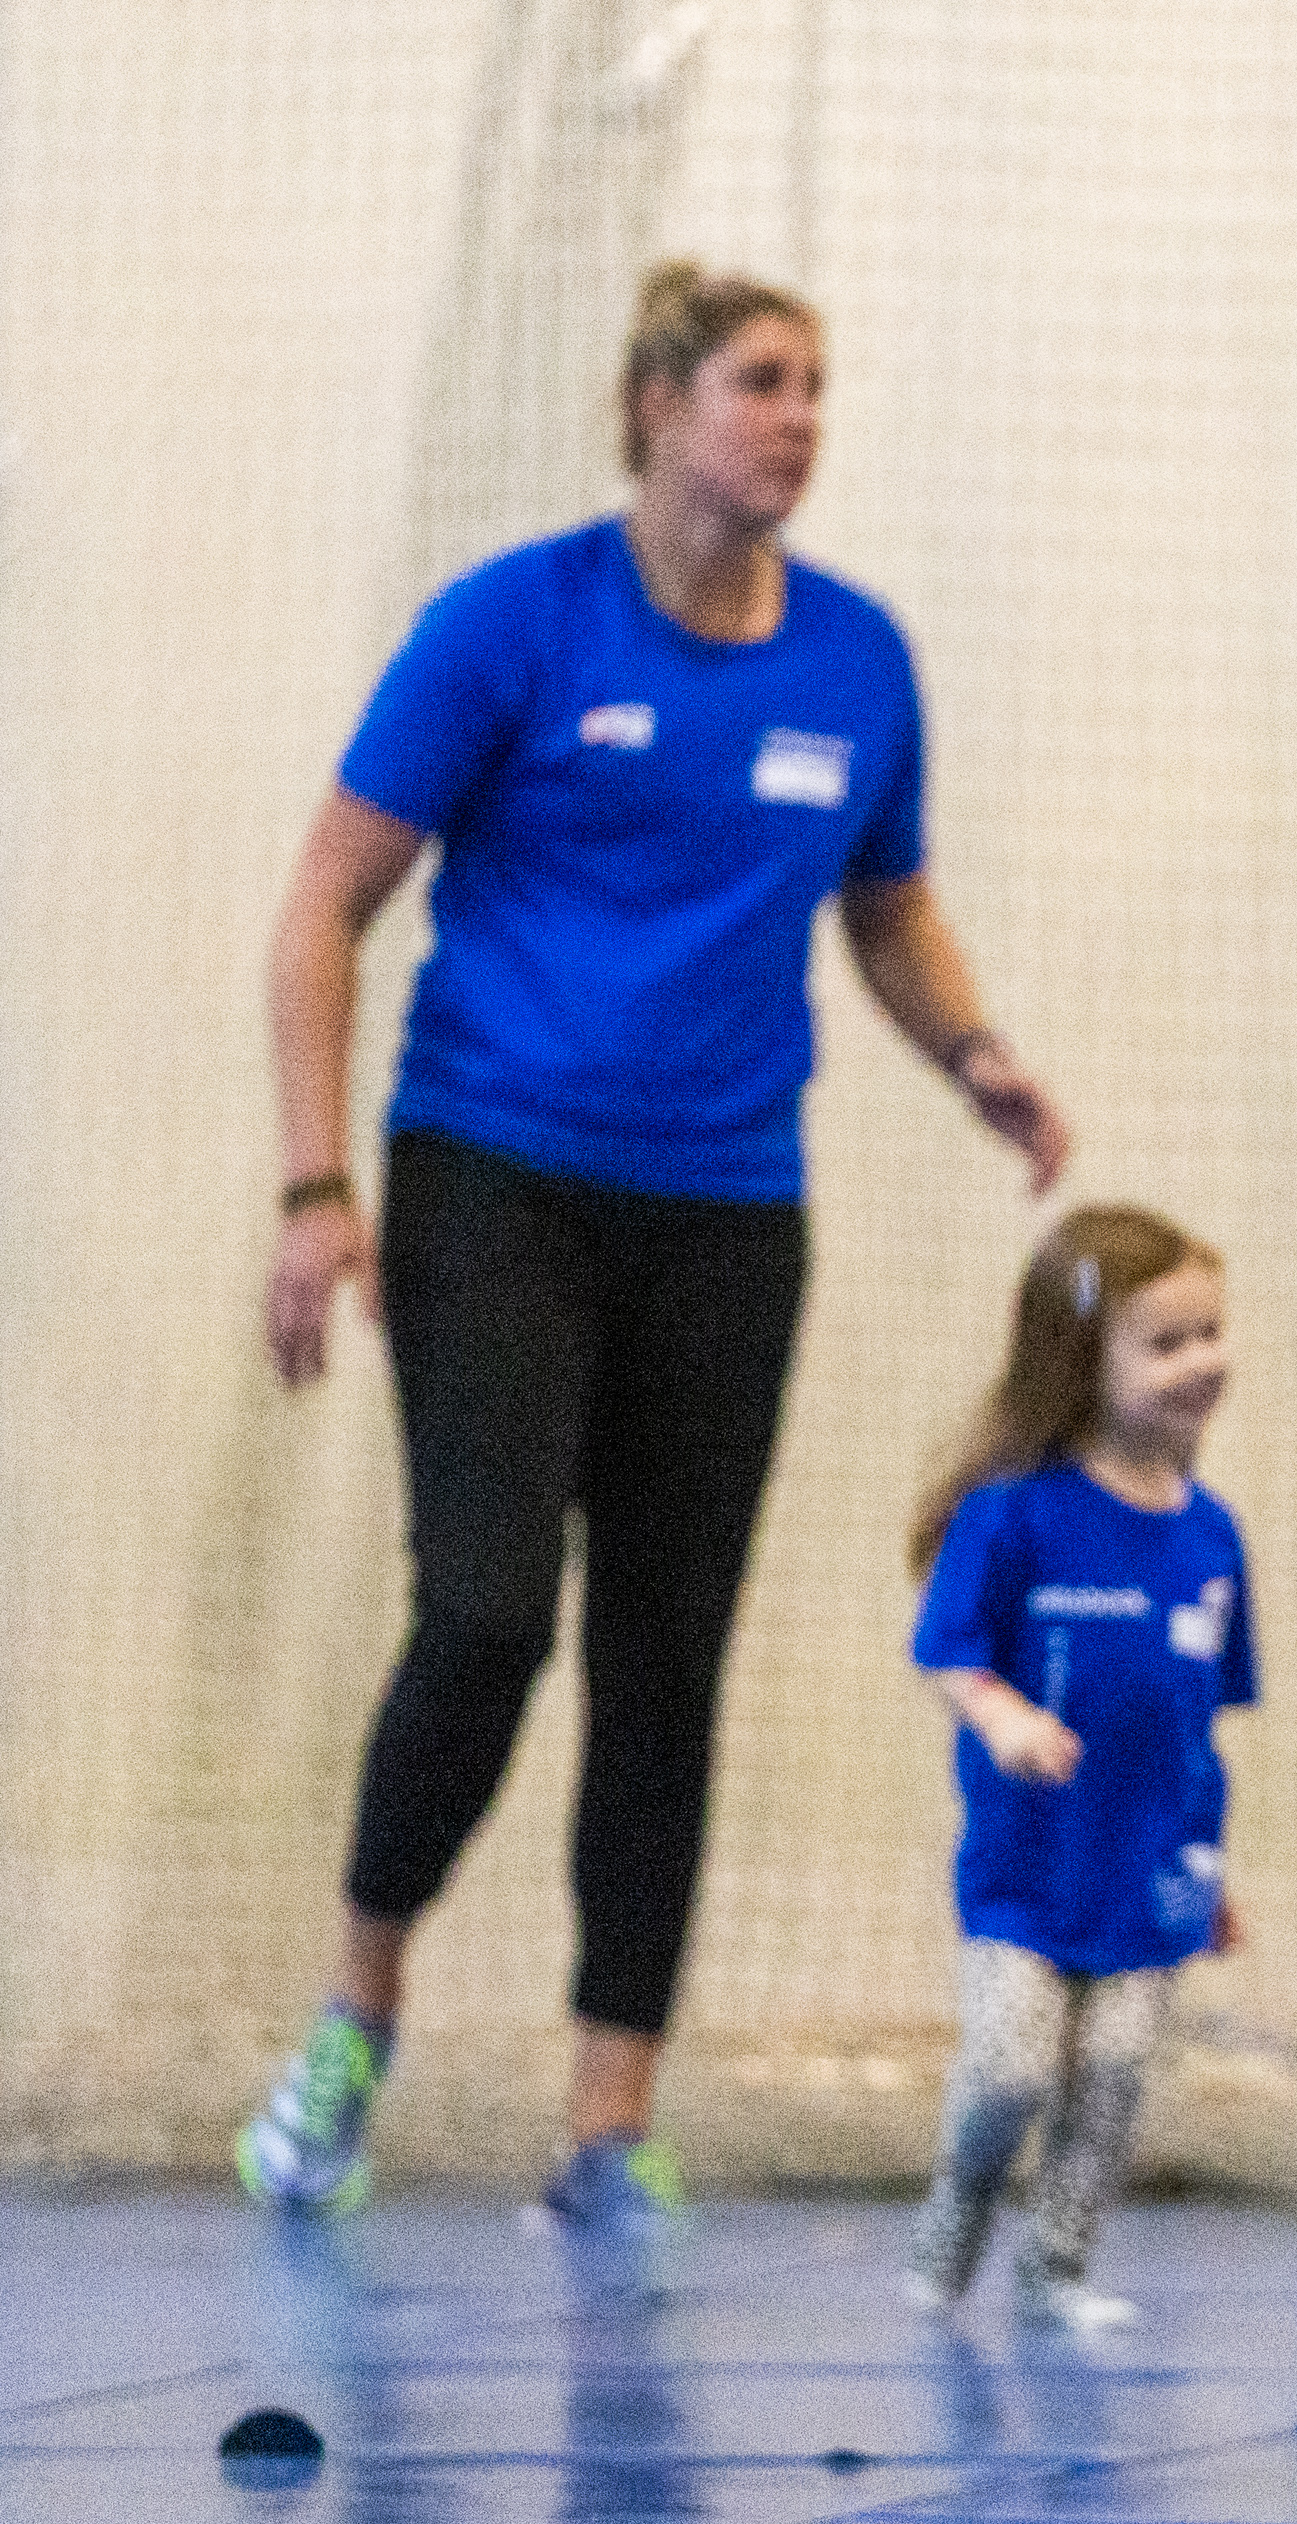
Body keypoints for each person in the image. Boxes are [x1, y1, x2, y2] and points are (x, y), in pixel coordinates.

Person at [235, 258, 1065, 2273]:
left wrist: (976, 1057)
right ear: (657, 406)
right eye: (760, 383)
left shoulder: (856, 661)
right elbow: (326, 908)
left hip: (725, 1212)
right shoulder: (513, 625)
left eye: (815, 388)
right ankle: (357, 2015)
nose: (795, 419)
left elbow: (887, 909)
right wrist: (311, 1187)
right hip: (492, 1179)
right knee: (494, 1606)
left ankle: (610, 2118)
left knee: (665, 1657)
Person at [903, 1207, 1254, 2336]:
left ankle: (1056, 2267)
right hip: (1026, 1869)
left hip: (1148, 1872)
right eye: (1166, 1342)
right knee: (1010, 2074)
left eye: (1210, 1333)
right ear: (1079, 1359)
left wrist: (1211, 1869)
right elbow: (947, 1648)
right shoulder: (1012, 1518)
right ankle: (958, 2206)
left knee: (1109, 2084)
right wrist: (1000, 1715)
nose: (1202, 1361)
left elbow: (1199, 1725)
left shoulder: (1213, 1537)